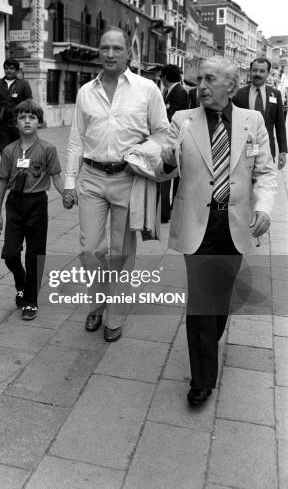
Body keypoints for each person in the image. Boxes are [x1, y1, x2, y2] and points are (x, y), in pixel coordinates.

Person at [160, 57, 277, 405]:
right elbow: (163, 169)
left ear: (231, 84)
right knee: (200, 303)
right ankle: (202, 380)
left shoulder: (252, 121)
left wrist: (263, 208)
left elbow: (267, 173)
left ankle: (210, 337)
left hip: (235, 223)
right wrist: (166, 158)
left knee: (220, 299)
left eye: (210, 79)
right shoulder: (182, 120)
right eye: (198, 80)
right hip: (196, 222)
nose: (202, 86)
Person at [63, 26, 169, 342]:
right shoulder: (86, 92)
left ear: (128, 54)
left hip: (128, 179)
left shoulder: (147, 89)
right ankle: (96, 302)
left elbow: (162, 132)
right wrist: (69, 182)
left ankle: (115, 315)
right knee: (90, 249)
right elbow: (76, 139)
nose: (110, 54)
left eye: (117, 49)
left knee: (122, 253)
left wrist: (141, 152)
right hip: (92, 178)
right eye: (105, 48)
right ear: (99, 51)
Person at [0, 99, 63, 320]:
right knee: (10, 253)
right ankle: (21, 281)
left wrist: (68, 194)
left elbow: (57, 177)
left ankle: (30, 300)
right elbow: (3, 181)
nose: (27, 121)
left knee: (35, 254)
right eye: (22, 117)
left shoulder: (47, 149)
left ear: (39, 123)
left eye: (32, 117)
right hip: (14, 204)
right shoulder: (9, 151)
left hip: (37, 204)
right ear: (15, 123)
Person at [233, 57, 287, 169]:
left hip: (267, 147)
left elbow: (280, 125)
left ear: (268, 73)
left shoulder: (275, 95)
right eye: (255, 70)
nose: (257, 74)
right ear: (250, 71)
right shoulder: (238, 94)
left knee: (266, 181)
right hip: (244, 149)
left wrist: (283, 151)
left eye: (262, 71)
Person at [160, 64, 189, 223]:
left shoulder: (180, 92)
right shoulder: (171, 91)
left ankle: (170, 211)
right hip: (170, 140)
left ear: (164, 77)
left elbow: (174, 118)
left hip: (175, 142)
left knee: (171, 176)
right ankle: (167, 211)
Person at [0, 59, 33, 155]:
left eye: (11, 68)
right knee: (4, 150)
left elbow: (29, 104)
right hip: (2, 123)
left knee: (20, 149)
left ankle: (19, 169)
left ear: (17, 71)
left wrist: (28, 122)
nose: (8, 70)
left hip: (18, 123)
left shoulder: (23, 84)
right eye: (6, 68)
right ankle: (7, 169)